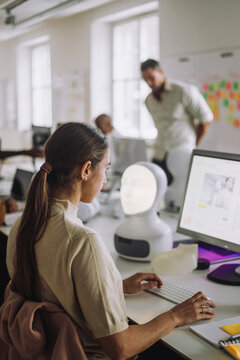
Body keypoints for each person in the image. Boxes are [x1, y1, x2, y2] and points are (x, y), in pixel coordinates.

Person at [6, 122, 215, 359]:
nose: (105, 180)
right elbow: (120, 348)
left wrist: (116, 286)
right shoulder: (83, 241)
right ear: (85, 170)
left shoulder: (22, 225)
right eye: (105, 168)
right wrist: (177, 315)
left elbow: (54, 294)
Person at [141, 59, 213, 185]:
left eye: (151, 78)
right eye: (145, 79)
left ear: (161, 72)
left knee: (180, 194)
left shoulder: (183, 91)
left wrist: (193, 145)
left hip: (182, 153)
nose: (148, 82)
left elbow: (206, 119)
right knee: (154, 189)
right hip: (160, 154)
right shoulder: (148, 101)